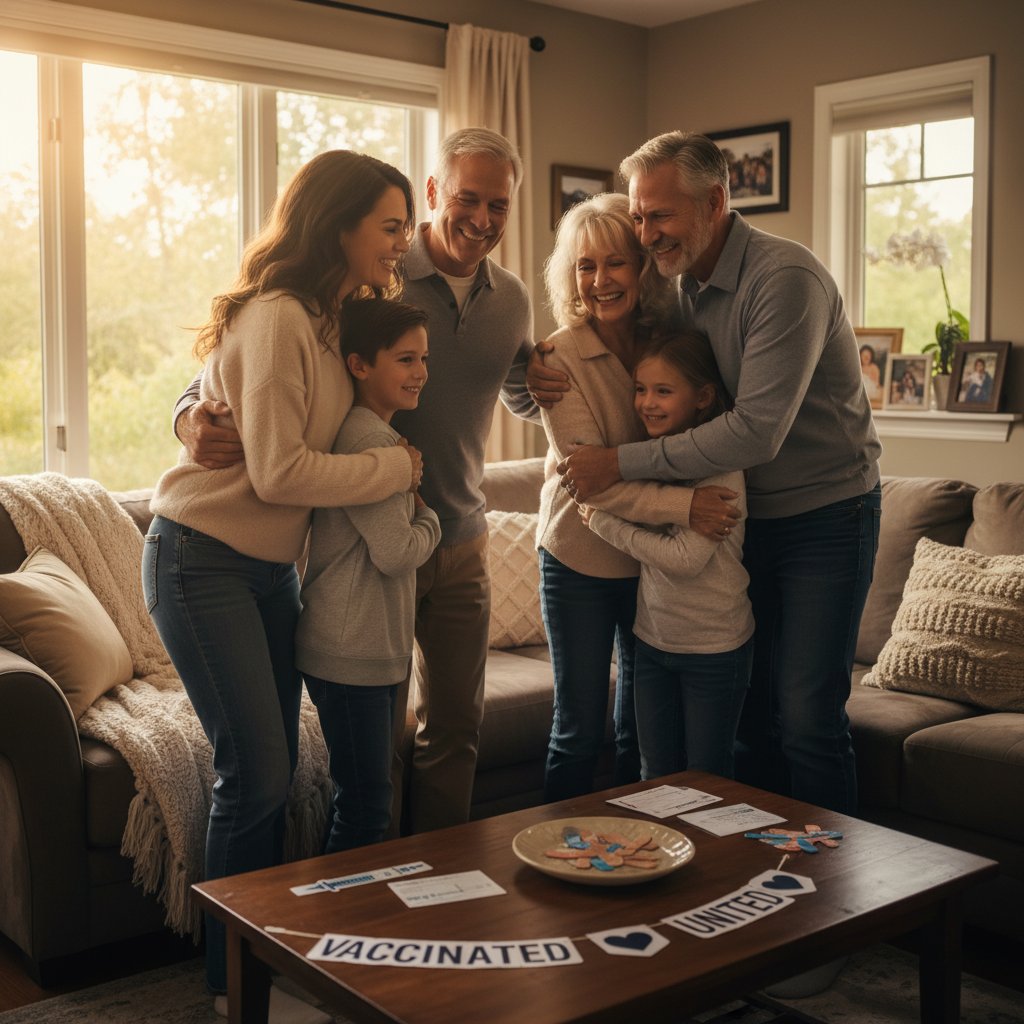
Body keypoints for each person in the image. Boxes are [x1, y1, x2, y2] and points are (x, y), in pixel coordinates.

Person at [176, 127, 538, 834]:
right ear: (436, 193)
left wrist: (549, 378)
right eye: (467, 198)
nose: (483, 219)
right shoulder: (372, 286)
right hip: (368, 544)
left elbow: (517, 389)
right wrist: (188, 415)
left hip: (459, 537)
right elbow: (227, 372)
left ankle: (442, 882)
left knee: (455, 730)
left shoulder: (512, 300)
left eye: (499, 206)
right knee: (376, 747)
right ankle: (378, 895)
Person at [528, 130, 881, 822]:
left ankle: (838, 904)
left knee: (807, 717)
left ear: (715, 202)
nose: (646, 234)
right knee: (752, 717)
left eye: (660, 215)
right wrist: (525, 378)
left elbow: (753, 430)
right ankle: (751, 884)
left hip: (823, 517)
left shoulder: (784, 281)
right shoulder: (677, 286)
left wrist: (617, 466)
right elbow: (593, 346)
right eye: (640, 215)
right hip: (742, 518)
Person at [144, 150, 420, 1022]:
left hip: (269, 572)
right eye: (389, 226)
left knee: (278, 771)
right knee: (256, 772)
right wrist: (393, 470)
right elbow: (276, 469)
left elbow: (215, 386)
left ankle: (280, 962)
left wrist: (192, 405)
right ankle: (235, 991)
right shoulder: (278, 316)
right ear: (337, 224)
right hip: (202, 559)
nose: (401, 245)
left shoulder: (340, 317)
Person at [537, 191, 693, 801]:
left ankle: (632, 864)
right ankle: (555, 868)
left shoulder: (674, 340)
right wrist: (684, 506)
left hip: (652, 561)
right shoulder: (557, 356)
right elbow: (589, 481)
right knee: (577, 731)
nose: (600, 280)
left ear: (642, 267)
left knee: (639, 731)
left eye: (615, 263)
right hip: (578, 555)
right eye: (585, 266)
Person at [296, 298, 440, 854]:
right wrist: (432, 518)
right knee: (365, 806)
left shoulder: (378, 438)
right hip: (348, 652)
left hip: (367, 651)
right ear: (360, 365)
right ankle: (336, 934)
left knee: (365, 800)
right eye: (405, 360)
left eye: (423, 358)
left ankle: (353, 925)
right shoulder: (369, 440)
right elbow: (398, 552)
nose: (421, 373)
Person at [580, 330, 753, 780]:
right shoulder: (643, 458)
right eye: (640, 389)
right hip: (653, 641)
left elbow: (683, 559)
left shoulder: (723, 469)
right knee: (653, 774)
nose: (647, 403)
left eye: (663, 391)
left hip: (715, 647)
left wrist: (602, 522)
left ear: (703, 396)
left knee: (707, 777)